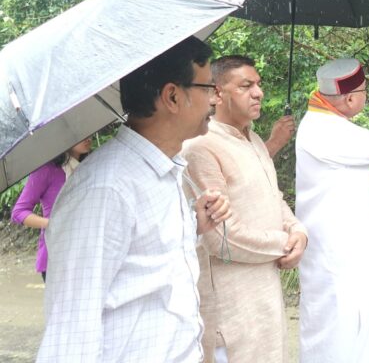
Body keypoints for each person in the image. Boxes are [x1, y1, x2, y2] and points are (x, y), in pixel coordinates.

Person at [36, 36, 232, 363]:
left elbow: (148, 264)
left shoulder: (163, 170)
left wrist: (194, 224)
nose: (215, 99)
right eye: (208, 88)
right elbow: (71, 332)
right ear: (172, 96)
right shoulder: (105, 189)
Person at [182, 55, 308, 363]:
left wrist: (298, 231)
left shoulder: (254, 140)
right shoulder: (201, 147)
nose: (258, 93)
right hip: (232, 310)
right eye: (246, 86)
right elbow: (221, 238)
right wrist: (284, 243)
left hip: (266, 298)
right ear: (216, 93)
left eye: (258, 85)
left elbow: (274, 198)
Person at [295, 58, 369, 363]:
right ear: (349, 99)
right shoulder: (324, 130)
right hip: (341, 265)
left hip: (357, 260)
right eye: (364, 92)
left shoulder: (329, 124)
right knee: (340, 342)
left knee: (368, 338)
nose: (368, 97)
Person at [11, 138, 92, 282]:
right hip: (56, 257)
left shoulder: (90, 167)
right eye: (79, 135)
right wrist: (53, 223)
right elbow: (19, 212)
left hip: (86, 253)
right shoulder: (46, 169)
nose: (88, 138)